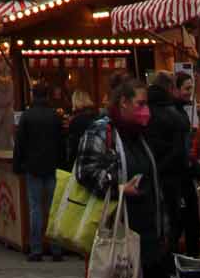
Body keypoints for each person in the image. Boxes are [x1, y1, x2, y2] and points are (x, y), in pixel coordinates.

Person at [74, 78, 170, 278]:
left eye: (147, 105)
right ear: (124, 102)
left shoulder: (140, 134)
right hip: (118, 231)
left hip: (148, 234)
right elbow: (85, 171)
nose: (146, 110)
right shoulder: (101, 130)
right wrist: (118, 187)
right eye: (140, 104)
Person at [144, 76, 197, 261]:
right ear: (171, 89)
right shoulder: (174, 115)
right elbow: (180, 152)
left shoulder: (145, 113)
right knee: (175, 224)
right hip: (173, 178)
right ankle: (173, 260)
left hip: (149, 175)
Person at [13, 83, 65, 262]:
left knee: (35, 208)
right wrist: (62, 164)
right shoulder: (54, 116)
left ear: (33, 95)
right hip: (52, 167)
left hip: (33, 167)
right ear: (47, 96)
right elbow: (61, 143)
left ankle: (36, 249)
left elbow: (20, 144)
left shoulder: (27, 117)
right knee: (53, 208)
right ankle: (56, 248)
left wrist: (18, 164)